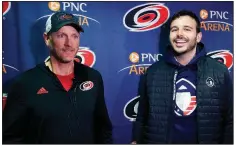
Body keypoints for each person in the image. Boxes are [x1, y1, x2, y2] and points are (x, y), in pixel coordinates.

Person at [3, 11, 113, 144]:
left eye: (74, 36)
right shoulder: (24, 83)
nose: (69, 43)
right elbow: (10, 138)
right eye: (61, 36)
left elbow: (103, 128)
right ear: (47, 39)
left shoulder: (93, 77)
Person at [132, 10, 233, 144]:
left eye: (187, 29)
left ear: (198, 37)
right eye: (174, 29)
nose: (179, 34)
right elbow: (142, 116)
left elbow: (230, 119)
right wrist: (136, 141)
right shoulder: (153, 72)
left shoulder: (219, 71)